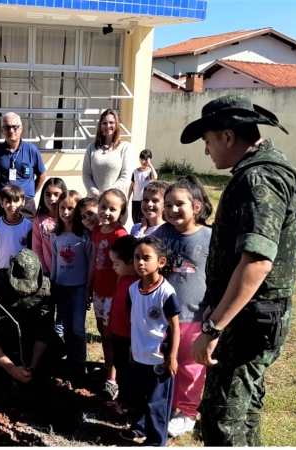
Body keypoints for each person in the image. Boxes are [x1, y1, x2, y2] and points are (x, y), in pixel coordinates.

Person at [180, 94, 296, 446]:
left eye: (208, 142)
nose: (207, 151)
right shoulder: (264, 170)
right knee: (242, 411)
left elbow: (257, 262)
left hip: (248, 322)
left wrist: (211, 327)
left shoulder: (259, 181)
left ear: (227, 137)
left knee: (223, 420)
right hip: (251, 317)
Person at [152, 176, 213, 438]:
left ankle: (187, 413)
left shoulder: (211, 237)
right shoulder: (162, 233)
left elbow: (221, 276)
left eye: (179, 204)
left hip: (195, 314)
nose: (172, 210)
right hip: (163, 314)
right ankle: (166, 404)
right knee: (165, 359)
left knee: (190, 366)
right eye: (168, 205)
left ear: (196, 207)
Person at [120, 236, 181, 446]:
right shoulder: (132, 289)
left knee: (157, 403)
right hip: (138, 355)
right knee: (139, 396)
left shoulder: (166, 292)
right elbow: (135, 321)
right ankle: (139, 427)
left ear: (161, 262)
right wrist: (131, 346)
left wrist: (171, 357)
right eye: (137, 258)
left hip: (158, 358)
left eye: (146, 258)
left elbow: (175, 327)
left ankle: (156, 441)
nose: (140, 263)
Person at [0, 249, 56, 385]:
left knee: (56, 350)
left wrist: (33, 366)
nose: (23, 291)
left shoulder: (45, 289)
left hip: (30, 333)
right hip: (3, 335)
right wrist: (11, 368)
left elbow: (45, 329)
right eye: (19, 287)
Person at [85, 188, 128, 400]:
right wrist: (88, 289)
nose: (106, 212)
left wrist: (120, 297)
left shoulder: (121, 235)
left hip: (114, 295)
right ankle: (109, 367)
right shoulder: (97, 231)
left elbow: (125, 270)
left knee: (113, 336)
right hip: (99, 292)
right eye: (103, 207)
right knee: (104, 334)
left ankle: (113, 378)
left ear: (121, 212)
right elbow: (94, 262)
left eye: (113, 209)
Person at [50, 190, 92, 381]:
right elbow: (55, 262)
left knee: (77, 329)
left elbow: (91, 263)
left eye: (70, 208)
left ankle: (79, 364)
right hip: (60, 286)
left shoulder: (84, 236)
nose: (66, 212)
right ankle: (65, 361)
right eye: (62, 208)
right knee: (63, 325)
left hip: (78, 288)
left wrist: (87, 290)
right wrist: (53, 284)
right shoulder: (55, 235)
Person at [0, 112, 47, 219]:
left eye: (14, 127)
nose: (11, 130)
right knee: (1, 235)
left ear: (21, 128)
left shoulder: (31, 150)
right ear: (1, 130)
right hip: (3, 205)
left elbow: (42, 175)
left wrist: (30, 192)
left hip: (26, 205)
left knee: (29, 235)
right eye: (7, 127)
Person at [105, 235, 140, 417]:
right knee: (120, 367)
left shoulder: (136, 285)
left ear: (130, 262)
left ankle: (129, 405)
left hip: (130, 339)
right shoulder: (124, 279)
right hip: (119, 334)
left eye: (116, 264)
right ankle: (123, 399)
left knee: (129, 373)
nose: (113, 267)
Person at [82, 109, 133, 200]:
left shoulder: (125, 147)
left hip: (115, 201)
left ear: (116, 124)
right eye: (104, 123)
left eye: (111, 122)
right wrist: (96, 193)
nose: (108, 126)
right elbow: (86, 175)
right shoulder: (91, 148)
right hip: (94, 201)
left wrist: (107, 194)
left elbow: (125, 176)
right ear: (100, 126)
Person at [0, 184, 33, 270]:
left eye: (16, 201)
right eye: (8, 201)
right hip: (0, 271)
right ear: (1, 203)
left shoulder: (29, 226)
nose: (12, 204)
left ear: (23, 202)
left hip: (20, 272)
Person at [32, 178, 67, 276]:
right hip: (49, 273)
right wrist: (44, 270)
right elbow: (37, 248)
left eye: (57, 194)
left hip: (71, 271)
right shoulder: (39, 220)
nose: (52, 198)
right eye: (48, 194)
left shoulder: (69, 218)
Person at [128, 149, 157, 225]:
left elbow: (155, 177)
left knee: (143, 219)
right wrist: (128, 197)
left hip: (144, 199)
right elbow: (132, 185)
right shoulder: (135, 172)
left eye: (146, 160)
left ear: (150, 160)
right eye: (142, 159)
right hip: (135, 199)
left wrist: (150, 165)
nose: (144, 162)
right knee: (135, 219)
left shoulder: (150, 171)